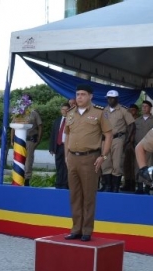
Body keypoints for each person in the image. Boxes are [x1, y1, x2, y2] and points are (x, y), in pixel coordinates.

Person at [64, 84, 112, 242]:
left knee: (88, 196)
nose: (79, 97)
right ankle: (76, 229)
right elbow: (67, 136)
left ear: (91, 96)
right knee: (75, 196)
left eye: (83, 94)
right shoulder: (70, 114)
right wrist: (66, 156)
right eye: (77, 94)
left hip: (90, 158)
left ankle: (86, 230)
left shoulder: (99, 113)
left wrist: (103, 156)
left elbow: (108, 135)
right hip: (73, 158)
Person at [100, 90, 135, 192]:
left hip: (118, 139)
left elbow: (132, 125)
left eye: (112, 98)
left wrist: (128, 141)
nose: (110, 100)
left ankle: (115, 187)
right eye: (108, 98)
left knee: (117, 163)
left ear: (116, 99)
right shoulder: (104, 110)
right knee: (105, 162)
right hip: (106, 140)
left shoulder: (123, 110)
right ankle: (107, 186)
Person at [11, 95, 42, 186]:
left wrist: (38, 140)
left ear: (30, 102)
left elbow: (40, 126)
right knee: (18, 159)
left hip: (30, 140)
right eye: (23, 101)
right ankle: (17, 178)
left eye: (26, 101)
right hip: (19, 140)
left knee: (28, 161)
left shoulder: (34, 113)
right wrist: (12, 140)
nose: (24, 102)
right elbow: (13, 127)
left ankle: (27, 180)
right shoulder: (18, 113)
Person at [133, 101, 153, 194]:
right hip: (145, 145)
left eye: (146, 106)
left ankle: (147, 187)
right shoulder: (137, 120)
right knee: (141, 167)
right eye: (143, 106)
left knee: (149, 164)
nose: (144, 108)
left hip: (149, 149)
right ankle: (140, 186)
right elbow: (139, 147)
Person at [49, 104, 70, 189]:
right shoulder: (57, 120)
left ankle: (65, 184)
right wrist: (51, 148)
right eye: (62, 109)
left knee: (66, 166)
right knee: (58, 165)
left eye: (66, 109)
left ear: (69, 110)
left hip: (67, 146)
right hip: (58, 146)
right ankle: (58, 183)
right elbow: (53, 134)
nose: (64, 111)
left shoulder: (71, 120)